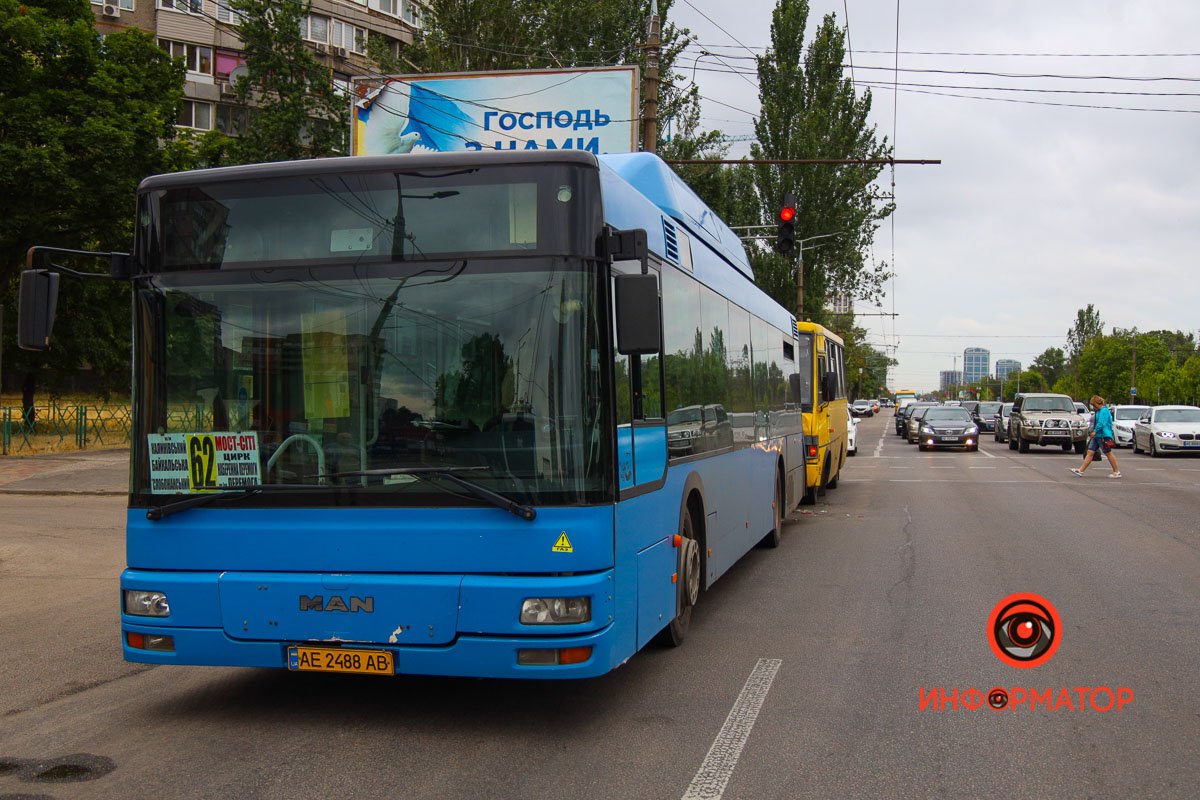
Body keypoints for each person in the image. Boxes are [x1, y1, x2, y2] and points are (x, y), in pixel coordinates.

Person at [1071, 395, 1120, 478]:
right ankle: (1081, 470)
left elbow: (1101, 423)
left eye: (1093, 405)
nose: (1093, 407)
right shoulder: (1099, 411)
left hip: (1102, 435)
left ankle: (1116, 471)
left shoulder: (1104, 411)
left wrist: (1095, 431)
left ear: (1097, 404)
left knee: (1108, 453)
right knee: (1090, 452)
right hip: (1097, 436)